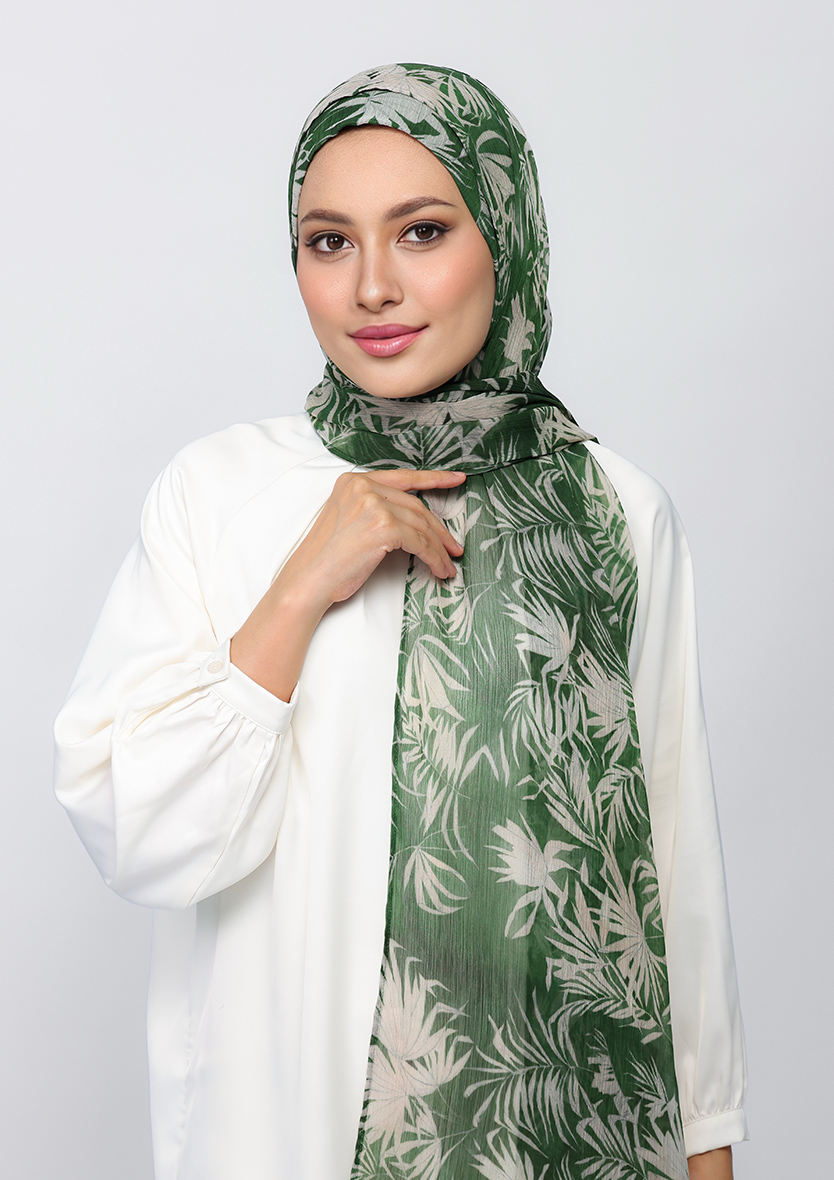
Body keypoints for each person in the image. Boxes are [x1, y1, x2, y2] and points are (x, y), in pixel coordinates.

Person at [54, 64, 747, 1180]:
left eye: (422, 232)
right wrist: (299, 589)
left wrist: (709, 1142)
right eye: (329, 242)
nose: (373, 286)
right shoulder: (220, 494)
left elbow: (671, 867)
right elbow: (140, 835)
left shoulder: (618, 511)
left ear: (504, 240)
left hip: (583, 1137)